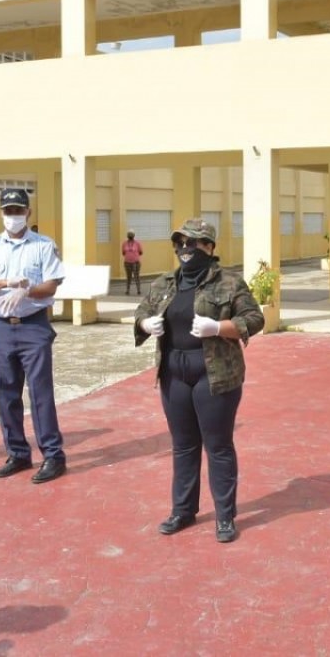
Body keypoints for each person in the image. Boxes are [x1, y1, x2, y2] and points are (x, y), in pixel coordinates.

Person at [133, 218, 265, 543]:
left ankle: (224, 516)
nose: (185, 249)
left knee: (218, 446)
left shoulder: (229, 283)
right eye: (180, 243)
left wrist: (219, 328)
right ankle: (183, 510)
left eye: (193, 243)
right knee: (183, 446)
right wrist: (146, 324)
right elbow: (142, 310)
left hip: (215, 373)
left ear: (209, 247)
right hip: (174, 373)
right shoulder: (165, 282)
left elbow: (254, 318)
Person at [0, 188, 68, 484]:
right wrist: (5, 283)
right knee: (6, 392)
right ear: (1, 213)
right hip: (0, 327)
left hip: (33, 324)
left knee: (40, 393)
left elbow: (50, 286)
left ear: (28, 212)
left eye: (18, 210)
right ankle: (18, 453)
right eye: (8, 211)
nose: (13, 216)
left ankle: (52, 455)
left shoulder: (43, 245)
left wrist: (27, 289)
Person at [121, 230, 144, 295]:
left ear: (134, 236)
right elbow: (123, 252)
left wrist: (134, 256)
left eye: (131, 235)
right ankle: (127, 290)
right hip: (127, 263)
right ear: (127, 236)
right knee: (128, 277)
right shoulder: (124, 243)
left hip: (136, 263)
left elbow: (141, 252)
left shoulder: (137, 243)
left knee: (136, 276)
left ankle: (138, 290)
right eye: (129, 235)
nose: (130, 236)